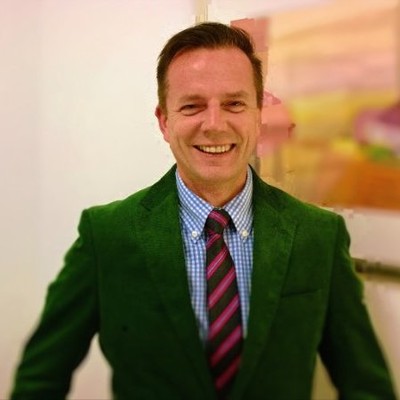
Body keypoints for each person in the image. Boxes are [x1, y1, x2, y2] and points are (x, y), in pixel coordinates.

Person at [10, 22, 395, 400]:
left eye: (234, 104)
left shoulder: (318, 235)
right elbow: (40, 379)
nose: (214, 124)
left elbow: (366, 385)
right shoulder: (106, 235)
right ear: (164, 121)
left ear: (258, 115)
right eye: (192, 106)